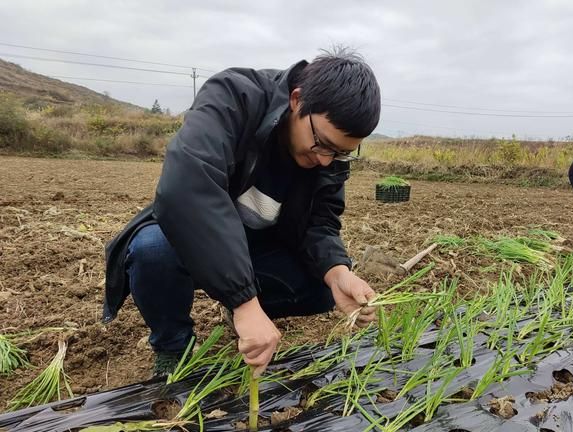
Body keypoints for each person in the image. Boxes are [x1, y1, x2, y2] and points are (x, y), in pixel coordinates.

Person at [102, 47, 381, 377]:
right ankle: (174, 348)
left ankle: (240, 313)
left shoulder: (327, 156)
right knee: (151, 251)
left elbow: (320, 222)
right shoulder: (233, 97)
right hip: (199, 235)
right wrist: (245, 301)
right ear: (296, 100)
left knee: (323, 288)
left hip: (259, 247)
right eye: (321, 143)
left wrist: (338, 272)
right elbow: (187, 188)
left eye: (340, 154)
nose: (324, 160)